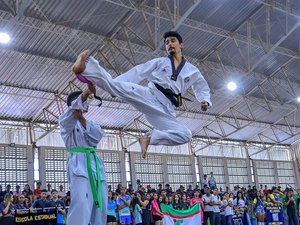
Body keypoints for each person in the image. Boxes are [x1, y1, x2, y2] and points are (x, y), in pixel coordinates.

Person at [72, 30, 211, 158]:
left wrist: (204, 100)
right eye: (167, 43)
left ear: (181, 45)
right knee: (115, 86)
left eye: (173, 41)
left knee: (186, 135)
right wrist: (116, 85)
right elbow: (139, 71)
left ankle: (149, 138)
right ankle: (86, 67)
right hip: (149, 95)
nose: (169, 44)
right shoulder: (160, 62)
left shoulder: (193, 71)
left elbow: (201, 85)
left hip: (165, 110)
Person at [59, 87, 108, 225]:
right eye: (80, 103)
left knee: (101, 203)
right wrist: (85, 94)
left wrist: (81, 117)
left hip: (95, 164)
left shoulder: (91, 123)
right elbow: (70, 117)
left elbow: (97, 136)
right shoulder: (65, 121)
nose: (82, 107)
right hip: (78, 164)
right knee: (81, 201)